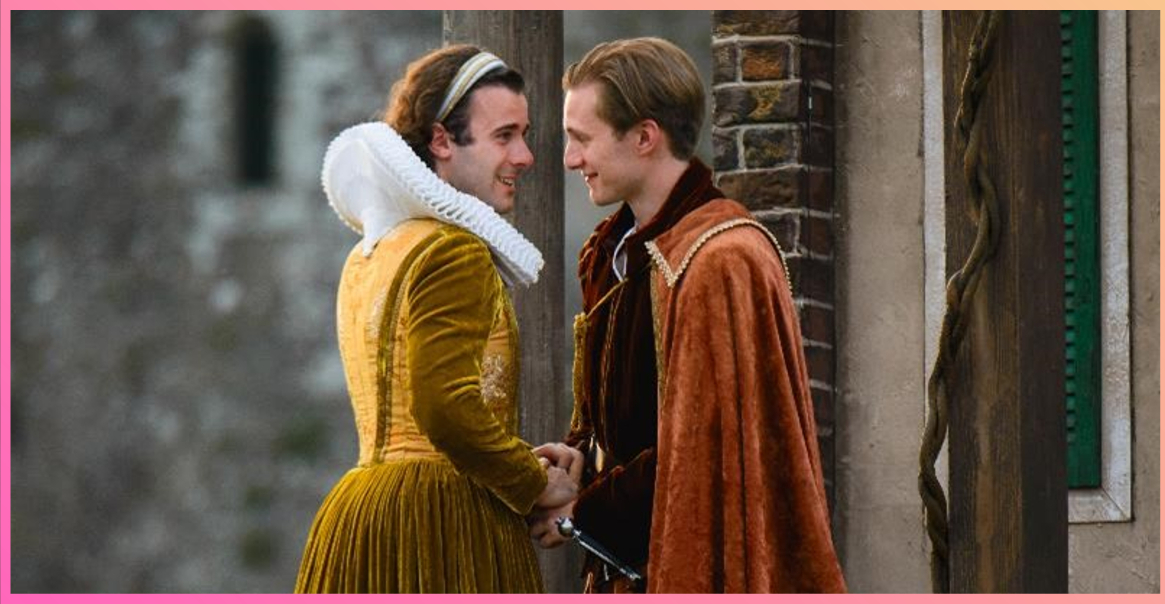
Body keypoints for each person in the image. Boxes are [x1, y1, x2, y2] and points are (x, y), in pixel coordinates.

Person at [528, 37, 846, 593]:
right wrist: (579, 461)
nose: (570, 159)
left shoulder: (721, 260)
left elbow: (703, 456)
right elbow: (630, 419)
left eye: (582, 139)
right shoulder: (612, 254)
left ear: (645, 137)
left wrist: (588, 511)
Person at [295, 45, 582, 594]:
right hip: (440, 523)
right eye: (504, 136)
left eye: (523, 135)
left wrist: (514, 461)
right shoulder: (454, 252)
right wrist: (531, 485)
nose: (524, 156)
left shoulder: (371, 255)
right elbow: (442, 406)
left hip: (361, 511)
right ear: (441, 140)